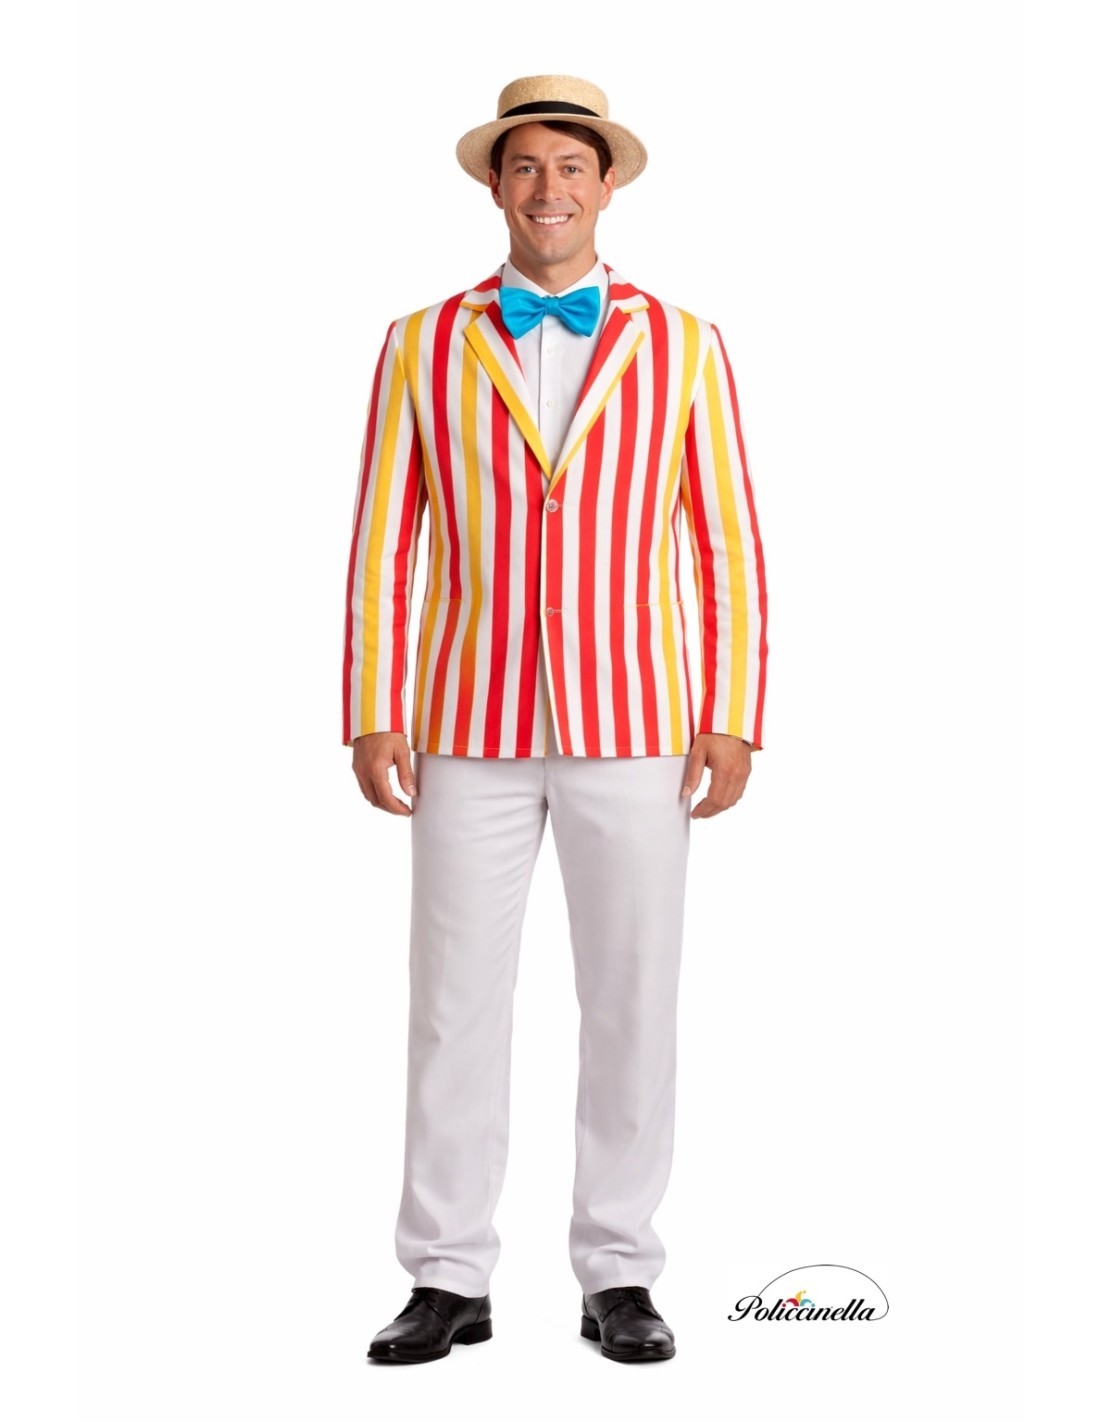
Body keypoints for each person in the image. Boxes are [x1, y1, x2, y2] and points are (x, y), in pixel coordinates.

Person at [342, 74, 768, 1365]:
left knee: (632, 996)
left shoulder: (684, 342)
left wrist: (732, 711)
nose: (549, 190)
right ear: (495, 184)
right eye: (525, 167)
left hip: (635, 719)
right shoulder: (421, 341)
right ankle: (446, 1273)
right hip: (463, 718)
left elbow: (726, 541)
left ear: (607, 184)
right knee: (450, 1002)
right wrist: (373, 705)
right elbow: (384, 541)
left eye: (570, 168)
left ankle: (620, 1271)